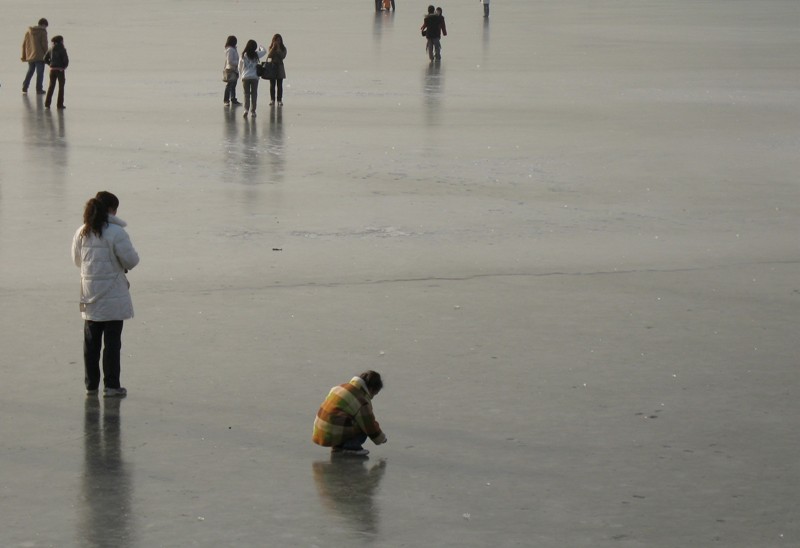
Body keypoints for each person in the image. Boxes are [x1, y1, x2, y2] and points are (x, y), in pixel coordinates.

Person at [72, 192, 140, 397]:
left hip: (90, 295)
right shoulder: (116, 232)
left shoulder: (81, 232)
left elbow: (77, 261)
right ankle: (111, 386)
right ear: (111, 209)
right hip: (113, 296)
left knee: (91, 343)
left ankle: (91, 384)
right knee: (111, 344)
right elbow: (131, 261)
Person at [313, 371, 388, 456]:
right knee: (362, 423)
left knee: (345, 417)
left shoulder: (340, 387)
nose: (372, 397)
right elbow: (369, 424)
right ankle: (351, 447)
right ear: (371, 389)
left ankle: (338, 447)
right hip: (333, 430)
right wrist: (381, 438)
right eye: (374, 394)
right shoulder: (361, 399)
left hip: (321, 430)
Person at [238, 39, 266, 117]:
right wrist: (260, 47)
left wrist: (241, 75)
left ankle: (246, 110)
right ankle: (253, 111)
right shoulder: (256, 54)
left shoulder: (243, 55)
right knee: (254, 94)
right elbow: (264, 51)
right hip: (254, 77)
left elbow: (239, 66)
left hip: (245, 77)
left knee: (246, 94)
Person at [21, 18, 49, 94]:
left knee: (30, 71)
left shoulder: (28, 32)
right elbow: (44, 44)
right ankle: (39, 89)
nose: (46, 28)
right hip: (40, 56)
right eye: (46, 26)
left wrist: (24, 56)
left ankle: (25, 87)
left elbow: (24, 45)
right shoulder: (42, 32)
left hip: (31, 56)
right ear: (43, 25)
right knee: (40, 73)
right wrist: (48, 54)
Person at [43, 35, 68, 110]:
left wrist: (50, 64)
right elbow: (66, 60)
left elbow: (44, 58)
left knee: (51, 86)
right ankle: (59, 104)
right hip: (60, 70)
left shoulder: (50, 48)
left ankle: (47, 103)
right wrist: (63, 67)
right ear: (60, 41)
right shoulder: (62, 49)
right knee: (61, 87)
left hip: (52, 70)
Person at [267, 34, 287, 107]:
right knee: (272, 85)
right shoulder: (271, 47)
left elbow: (283, 56)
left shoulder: (283, 48)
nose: (278, 42)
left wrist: (278, 49)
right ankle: (272, 99)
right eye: (276, 40)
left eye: (279, 40)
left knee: (279, 85)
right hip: (272, 66)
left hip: (280, 67)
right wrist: (273, 48)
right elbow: (269, 56)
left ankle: (279, 100)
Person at [223, 35, 241, 106]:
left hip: (234, 69)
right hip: (231, 69)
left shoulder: (233, 49)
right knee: (229, 85)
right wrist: (238, 63)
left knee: (233, 85)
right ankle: (226, 100)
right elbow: (230, 61)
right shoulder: (230, 50)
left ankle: (233, 99)